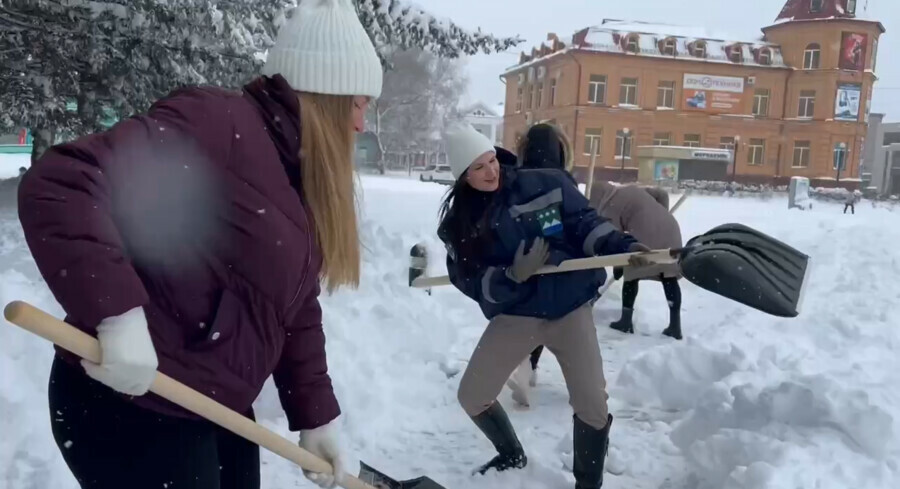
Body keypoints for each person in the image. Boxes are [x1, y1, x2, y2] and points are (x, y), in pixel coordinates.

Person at [16, 1, 382, 488]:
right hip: (129, 402)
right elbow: (64, 183)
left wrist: (316, 416)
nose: (361, 126)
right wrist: (117, 315)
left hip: (215, 406)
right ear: (329, 94)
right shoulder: (219, 122)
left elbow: (293, 308)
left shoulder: (297, 175)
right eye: (359, 104)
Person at [437, 123, 651, 488]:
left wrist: (623, 247)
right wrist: (511, 275)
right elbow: (470, 280)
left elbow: (584, 224)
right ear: (462, 177)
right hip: (518, 314)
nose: (491, 172)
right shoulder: (460, 225)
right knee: (472, 395)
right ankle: (510, 453)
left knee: (592, 406)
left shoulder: (545, 183)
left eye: (492, 160)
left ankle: (588, 484)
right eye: (478, 168)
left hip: (569, 306)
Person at [588, 181, 685, 340]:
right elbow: (660, 194)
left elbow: (612, 236)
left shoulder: (610, 205)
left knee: (631, 272)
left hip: (646, 232)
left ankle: (626, 321)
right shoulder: (630, 190)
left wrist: (618, 265)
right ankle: (675, 326)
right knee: (668, 274)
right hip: (670, 227)